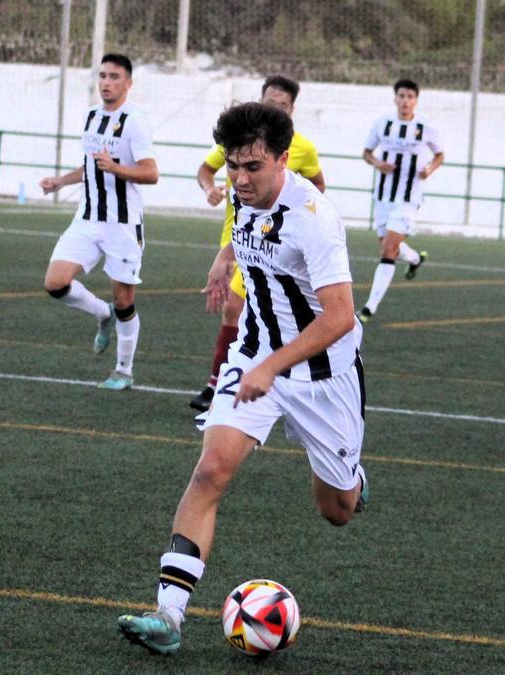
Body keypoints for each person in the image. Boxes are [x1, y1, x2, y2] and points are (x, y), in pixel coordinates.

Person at [117, 102, 366, 656]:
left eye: (253, 166)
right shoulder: (242, 191)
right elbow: (246, 230)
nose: (240, 178)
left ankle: (353, 478)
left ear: (283, 159)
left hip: (321, 374)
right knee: (210, 470)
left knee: (337, 510)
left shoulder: (315, 219)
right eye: (233, 165)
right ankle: (169, 615)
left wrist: (273, 368)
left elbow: (340, 316)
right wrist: (224, 256)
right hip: (253, 354)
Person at [190, 76, 326, 412]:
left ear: (292, 110)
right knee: (240, 311)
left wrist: (296, 221)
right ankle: (232, 381)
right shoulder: (238, 140)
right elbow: (206, 170)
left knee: (238, 308)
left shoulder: (302, 148)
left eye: (280, 105)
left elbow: (318, 186)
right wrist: (210, 191)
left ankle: (227, 382)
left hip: (269, 246)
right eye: (268, 101)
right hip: (236, 238)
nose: (242, 175)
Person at [40, 53, 159, 391]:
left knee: (124, 300)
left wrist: (117, 167)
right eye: (103, 76)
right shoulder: (91, 116)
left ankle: (123, 370)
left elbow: (151, 173)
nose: (107, 82)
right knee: (55, 283)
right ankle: (100, 314)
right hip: (87, 219)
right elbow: (91, 166)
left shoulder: (135, 121)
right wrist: (61, 181)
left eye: (115, 77)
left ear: (128, 83)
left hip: (122, 225)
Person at [358, 78, 444, 323]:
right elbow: (366, 153)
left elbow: (440, 155)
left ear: (416, 100)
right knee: (386, 244)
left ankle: (369, 308)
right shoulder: (382, 124)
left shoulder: (425, 126)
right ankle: (415, 259)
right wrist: (378, 164)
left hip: (409, 198)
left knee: (387, 250)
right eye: (402, 96)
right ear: (395, 98)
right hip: (384, 196)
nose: (405, 101)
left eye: (410, 97)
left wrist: (429, 169)